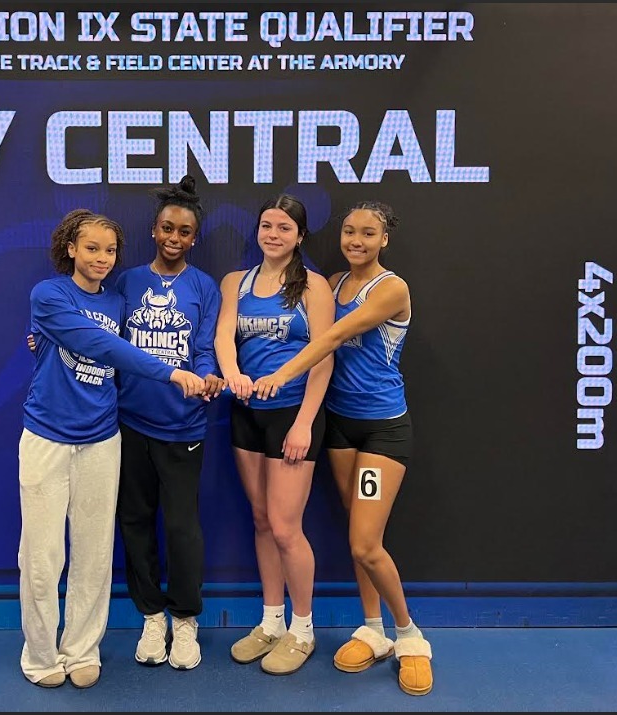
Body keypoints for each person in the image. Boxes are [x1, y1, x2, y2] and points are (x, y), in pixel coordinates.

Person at [251, 201, 433, 696]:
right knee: (357, 530)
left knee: (365, 543)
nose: (356, 240)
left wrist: (280, 375)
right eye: (349, 231)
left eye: (368, 233)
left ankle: (409, 636)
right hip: (340, 428)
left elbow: (332, 336)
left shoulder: (391, 289)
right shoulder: (331, 284)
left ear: (384, 240)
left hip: (382, 431)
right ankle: (372, 629)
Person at [18, 209, 205, 690]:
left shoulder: (119, 301)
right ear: (70, 249)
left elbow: (118, 349)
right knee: (42, 557)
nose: (102, 258)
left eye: (110, 250)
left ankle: (82, 650)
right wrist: (170, 372)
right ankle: (40, 655)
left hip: (102, 438)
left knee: (94, 554)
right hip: (47, 437)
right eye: (92, 248)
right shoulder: (49, 294)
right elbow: (100, 345)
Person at [214, 194, 334, 676]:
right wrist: (233, 374)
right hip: (247, 414)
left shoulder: (314, 287)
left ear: (300, 236)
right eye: (267, 225)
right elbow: (224, 336)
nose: (273, 234)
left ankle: (303, 630)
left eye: (284, 228)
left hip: (293, 416)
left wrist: (304, 422)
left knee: (286, 527)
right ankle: (271, 622)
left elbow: (323, 357)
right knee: (262, 521)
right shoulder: (235, 282)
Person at [114, 175, 224, 670]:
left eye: (184, 231)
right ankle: (151, 616)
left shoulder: (203, 287)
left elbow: (205, 347)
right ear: (153, 230)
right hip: (130, 423)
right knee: (135, 521)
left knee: (182, 527)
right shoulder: (127, 281)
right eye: (167, 228)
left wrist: (207, 377)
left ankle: (184, 619)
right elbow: (100, 333)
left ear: (194, 238)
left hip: (183, 427)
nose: (174, 238)